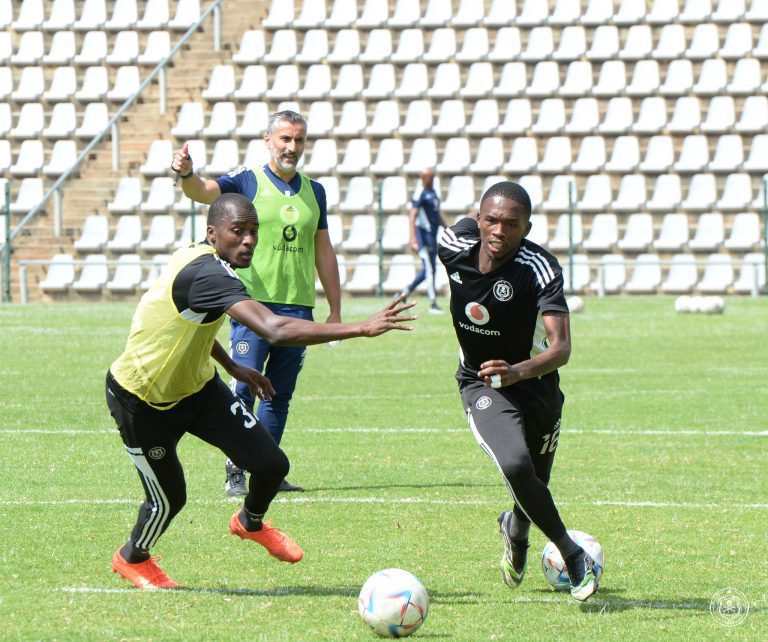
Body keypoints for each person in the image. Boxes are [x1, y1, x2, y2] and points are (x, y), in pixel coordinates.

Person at [107, 193, 415, 590]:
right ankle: (132, 557)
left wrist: (233, 367)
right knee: (169, 499)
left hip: (197, 389)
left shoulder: (202, 258)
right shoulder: (209, 274)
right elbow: (274, 329)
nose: (249, 240)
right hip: (142, 400)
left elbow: (188, 324)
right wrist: (359, 328)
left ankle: (249, 522)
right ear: (213, 233)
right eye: (239, 231)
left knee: (272, 464)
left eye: (253, 231)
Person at [437, 180, 598, 602]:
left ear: (526, 227)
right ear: (478, 218)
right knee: (514, 462)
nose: (499, 231)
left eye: (511, 224)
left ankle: (516, 527)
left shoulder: (539, 268)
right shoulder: (453, 246)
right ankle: (572, 553)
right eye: (490, 219)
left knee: (534, 483)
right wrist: (498, 377)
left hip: (537, 383)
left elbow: (561, 348)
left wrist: (518, 371)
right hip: (481, 382)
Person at [172, 110, 339, 495]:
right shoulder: (247, 180)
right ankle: (236, 472)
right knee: (243, 389)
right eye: (285, 139)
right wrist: (185, 174)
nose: (292, 147)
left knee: (278, 395)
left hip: (298, 306)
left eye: (298, 140)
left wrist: (335, 308)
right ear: (268, 141)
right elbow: (202, 192)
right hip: (250, 305)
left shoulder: (315, 192)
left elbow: (324, 250)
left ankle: (268, 471)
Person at [398, 168, 446, 314]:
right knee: (430, 269)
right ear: (423, 178)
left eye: (432, 177)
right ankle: (433, 303)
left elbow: (436, 215)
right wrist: (413, 238)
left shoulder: (433, 193)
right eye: (428, 177)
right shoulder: (420, 193)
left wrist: (448, 228)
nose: (430, 180)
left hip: (432, 237)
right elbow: (412, 216)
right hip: (423, 237)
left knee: (429, 269)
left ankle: (404, 293)